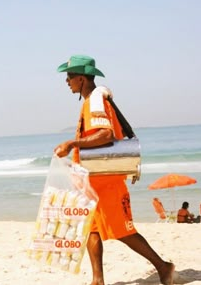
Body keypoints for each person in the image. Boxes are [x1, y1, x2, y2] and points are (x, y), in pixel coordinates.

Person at [54, 54, 175, 285]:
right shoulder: (94, 100)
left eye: (69, 77)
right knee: (90, 229)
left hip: (105, 182)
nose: (66, 81)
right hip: (93, 180)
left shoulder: (95, 103)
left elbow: (105, 135)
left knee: (122, 230)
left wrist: (72, 143)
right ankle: (98, 280)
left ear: (81, 79)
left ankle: (163, 267)